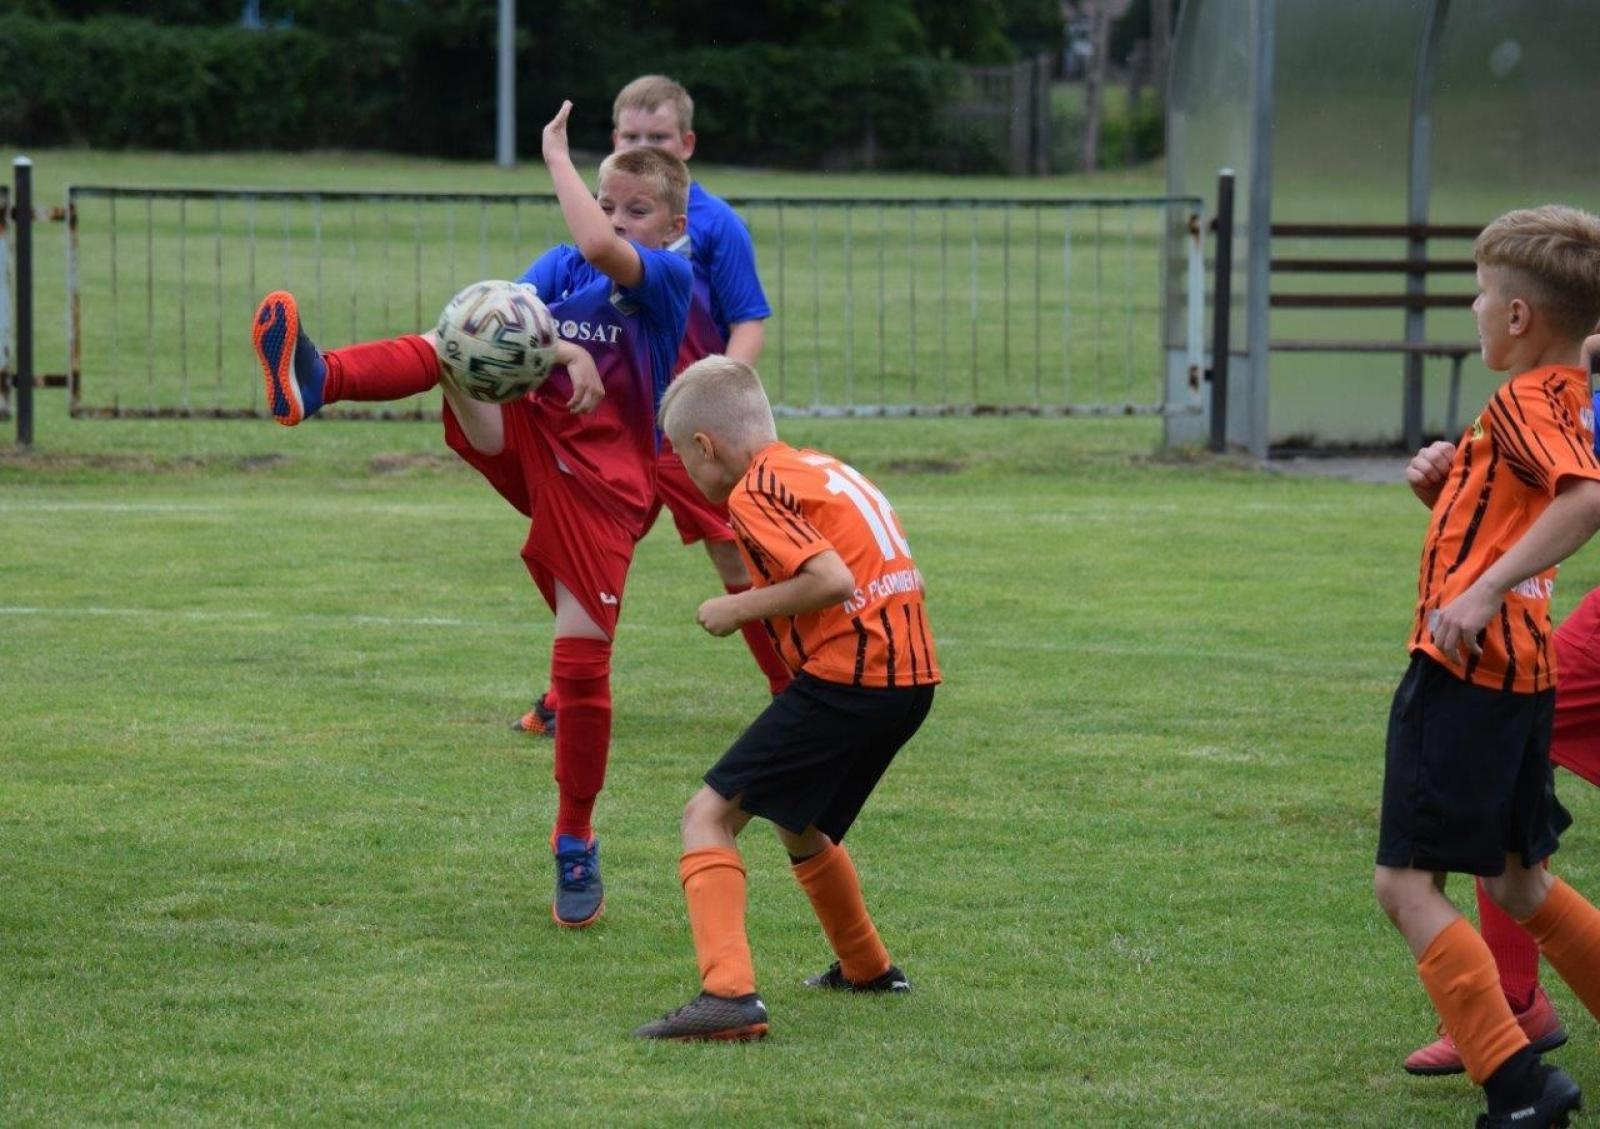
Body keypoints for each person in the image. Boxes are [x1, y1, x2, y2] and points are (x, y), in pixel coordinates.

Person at [249, 101, 692, 929]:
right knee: (461, 331)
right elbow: (508, 315)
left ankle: (574, 838)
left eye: (636, 209)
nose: (611, 219)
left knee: (583, 667)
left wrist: (555, 152)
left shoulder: (666, 281)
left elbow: (604, 250)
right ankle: (319, 379)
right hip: (530, 440)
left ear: (672, 224)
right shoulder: (561, 267)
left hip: (606, 489)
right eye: (605, 200)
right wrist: (560, 347)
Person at [630, 355, 939, 1041]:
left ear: (706, 447)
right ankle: (866, 965)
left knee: (707, 815)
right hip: (908, 681)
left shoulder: (754, 491)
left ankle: (728, 995)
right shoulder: (822, 468)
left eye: (685, 459)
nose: (689, 474)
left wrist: (738, 608)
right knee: (795, 817)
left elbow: (829, 578)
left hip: (853, 676)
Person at [1373, 205, 1600, 1128]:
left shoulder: (1522, 401)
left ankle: (1518, 1086)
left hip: (1466, 669)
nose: (1473, 306)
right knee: (1518, 882)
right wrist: (1451, 487)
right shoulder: (1561, 399)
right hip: (1522, 674)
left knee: (1403, 884)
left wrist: (1475, 594)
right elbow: (1537, 501)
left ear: (1518, 317)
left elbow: (1584, 500)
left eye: (1481, 292)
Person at [513, 74, 790, 741]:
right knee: (586, 556)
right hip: (616, 422)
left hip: (690, 432)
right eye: (631, 136)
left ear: (685, 143)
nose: (643, 144)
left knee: (734, 557)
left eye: (658, 137)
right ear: (614, 143)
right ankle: (563, 692)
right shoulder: (607, 216)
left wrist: (719, 390)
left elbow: (748, 319)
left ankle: (789, 694)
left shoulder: (715, 224)